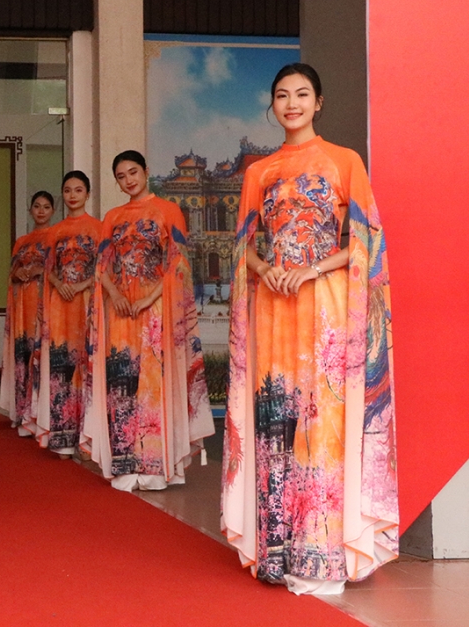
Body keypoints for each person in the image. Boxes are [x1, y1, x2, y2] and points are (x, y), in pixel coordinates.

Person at [221, 63, 397, 595]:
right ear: (272, 105)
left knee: (323, 419)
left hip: (324, 307)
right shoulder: (259, 172)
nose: (292, 103)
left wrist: (311, 268)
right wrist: (266, 268)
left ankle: (321, 554)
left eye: (302, 94)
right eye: (282, 95)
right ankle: (277, 549)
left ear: (318, 102)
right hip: (274, 309)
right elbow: (242, 247)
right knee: (276, 416)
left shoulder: (344, 161)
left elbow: (366, 239)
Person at [81, 151, 214, 492]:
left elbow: (177, 263)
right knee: (121, 379)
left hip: (156, 309)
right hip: (121, 311)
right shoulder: (113, 217)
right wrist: (116, 295)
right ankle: (125, 464)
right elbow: (102, 266)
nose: (128, 180)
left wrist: (148, 297)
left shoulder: (168, 211)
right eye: (121, 176)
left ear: (146, 171)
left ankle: (155, 464)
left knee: (154, 383)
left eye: (133, 172)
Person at [34, 171, 100, 456]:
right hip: (61, 304)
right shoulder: (55, 231)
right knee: (61, 366)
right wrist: (60, 284)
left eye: (78, 190)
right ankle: (62, 437)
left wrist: (81, 285)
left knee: (87, 364)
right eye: (68, 190)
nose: (73, 195)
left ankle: (89, 438)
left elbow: (104, 268)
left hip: (87, 302)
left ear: (88, 194)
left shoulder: (99, 228)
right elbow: (48, 269)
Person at [0, 191, 55, 436]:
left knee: (40, 356)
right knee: (22, 356)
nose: (41, 211)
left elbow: (59, 270)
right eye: (37, 206)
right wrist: (18, 274)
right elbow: (11, 273)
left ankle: (39, 415)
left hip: (43, 303)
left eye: (46, 207)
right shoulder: (21, 241)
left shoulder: (55, 236)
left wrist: (38, 271)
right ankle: (21, 412)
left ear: (53, 211)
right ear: (30, 209)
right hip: (22, 305)